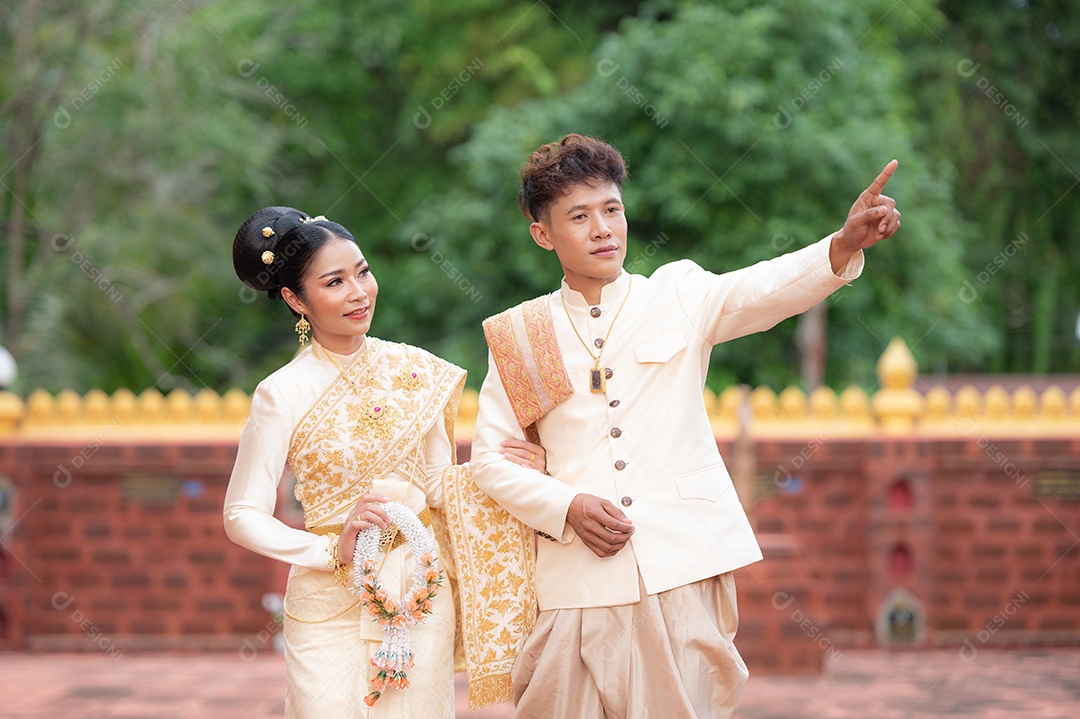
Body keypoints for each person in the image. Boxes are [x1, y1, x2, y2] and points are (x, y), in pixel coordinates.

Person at [470, 134, 901, 718]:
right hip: (575, 578)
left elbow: (764, 288)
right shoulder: (521, 335)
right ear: (543, 234)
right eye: (579, 216)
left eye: (611, 210)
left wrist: (841, 245)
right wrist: (566, 505)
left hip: (681, 567)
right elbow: (491, 460)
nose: (602, 229)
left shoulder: (677, 294)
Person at [223, 206, 546, 718]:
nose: (358, 291)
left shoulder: (415, 371)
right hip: (328, 597)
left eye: (363, 272)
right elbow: (241, 514)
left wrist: (514, 475)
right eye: (334, 282)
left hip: (419, 583)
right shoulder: (280, 393)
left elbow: (443, 487)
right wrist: (331, 549)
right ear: (294, 299)